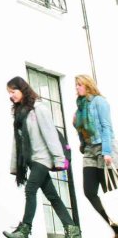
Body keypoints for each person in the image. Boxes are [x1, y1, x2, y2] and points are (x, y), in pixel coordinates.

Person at [3, 76, 81, 238]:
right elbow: (16, 143)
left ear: (22, 89)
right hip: (31, 160)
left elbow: (50, 134)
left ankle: (24, 230)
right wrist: (15, 166)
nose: (11, 95)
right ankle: (72, 229)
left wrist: (59, 159)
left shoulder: (39, 109)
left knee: (30, 189)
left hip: (43, 158)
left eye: (13, 91)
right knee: (52, 195)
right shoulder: (19, 114)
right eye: (9, 93)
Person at [73, 74, 118, 236]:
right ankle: (113, 225)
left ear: (87, 85)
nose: (77, 88)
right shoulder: (80, 107)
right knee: (89, 191)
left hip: (103, 148)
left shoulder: (99, 102)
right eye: (76, 85)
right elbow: (83, 132)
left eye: (79, 84)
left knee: (110, 189)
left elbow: (106, 127)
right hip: (89, 151)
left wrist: (107, 152)